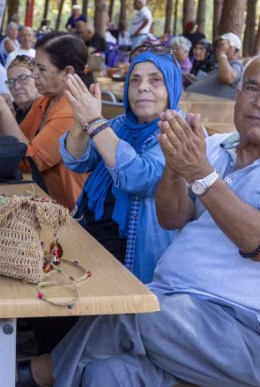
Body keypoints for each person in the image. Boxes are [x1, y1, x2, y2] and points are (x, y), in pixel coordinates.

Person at [22, 49, 260, 387]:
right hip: (177, 315)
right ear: (237, 95)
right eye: (253, 88)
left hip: (247, 341)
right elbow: (171, 215)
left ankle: (38, 375)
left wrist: (201, 174)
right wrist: (176, 171)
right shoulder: (217, 147)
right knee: (109, 370)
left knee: (131, 307)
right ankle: (45, 386)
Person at [61, 45, 183, 282]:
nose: (142, 87)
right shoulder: (120, 126)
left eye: (155, 80)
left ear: (172, 88)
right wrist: (80, 122)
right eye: (135, 80)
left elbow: (142, 178)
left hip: (128, 253)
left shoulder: (180, 132)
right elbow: (77, 160)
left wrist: (95, 123)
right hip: (88, 232)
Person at [0, 39, 88, 210]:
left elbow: (29, 161)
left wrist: (3, 111)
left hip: (70, 215)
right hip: (41, 199)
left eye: (41, 69)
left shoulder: (72, 111)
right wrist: (3, 112)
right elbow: (13, 148)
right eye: (35, 67)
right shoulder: (44, 101)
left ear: (67, 73)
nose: (34, 74)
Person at [0, 55, 41, 129]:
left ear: (37, 78)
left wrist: (5, 120)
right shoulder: (14, 108)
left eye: (23, 78)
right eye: (11, 81)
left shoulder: (44, 110)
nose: (17, 86)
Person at [186, 32, 243, 100]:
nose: (219, 49)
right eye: (219, 46)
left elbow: (228, 78)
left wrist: (222, 54)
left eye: (223, 46)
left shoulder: (236, 65)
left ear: (236, 50)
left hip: (217, 108)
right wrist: (197, 81)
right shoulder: (220, 65)